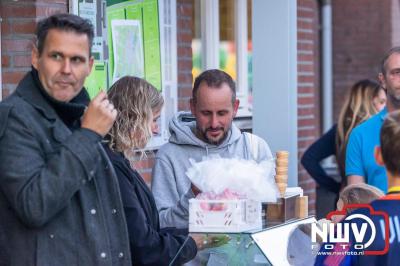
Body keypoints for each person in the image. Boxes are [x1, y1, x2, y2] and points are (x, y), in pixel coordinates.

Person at [0, 14, 131, 265]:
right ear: (35, 58)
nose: (66, 70)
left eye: (77, 59)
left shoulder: (81, 113)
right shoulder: (14, 117)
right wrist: (89, 135)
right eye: (56, 56)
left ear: (90, 66)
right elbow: (33, 204)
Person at [151, 69, 273, 228]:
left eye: (222, 113)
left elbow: (271, 218)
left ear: (235, 108)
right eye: (206, 113)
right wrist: (192, 198)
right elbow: (160, 224)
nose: (214, 123)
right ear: (193, 107)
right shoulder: (169, 157)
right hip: (193, 253)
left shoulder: (255, 149)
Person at [104, 76, 206, 265]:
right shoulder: (112, 168)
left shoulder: (116, 161)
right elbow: (143, 246)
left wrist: (191, 236)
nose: (156, 129)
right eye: (154, 120)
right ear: (135, 117)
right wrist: (191, 243)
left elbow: (150, 230)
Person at [301, 80, 385, 198]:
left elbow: (308, 158)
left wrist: (336, 187)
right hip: (370, 202)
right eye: (382, 102)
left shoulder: (340, 129)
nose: (385, 106)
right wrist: (334, 186)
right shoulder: (368, 132)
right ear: (370, 102)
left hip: (345, 201)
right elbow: (308, 159)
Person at [346, 47, 400, 192]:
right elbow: (355, 201)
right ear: (382, 80)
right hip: (379, 214)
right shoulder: (360, 135)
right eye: (397, 72)